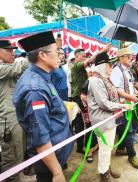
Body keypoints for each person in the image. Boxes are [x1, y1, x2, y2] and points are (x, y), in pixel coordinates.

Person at [13, 31, 73, 182]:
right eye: (57, 51)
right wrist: (57, 172)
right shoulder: (36, 89)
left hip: (55, 154)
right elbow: (40, 137)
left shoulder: (42, 75)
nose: (60, 55)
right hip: (48, 164)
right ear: (43, 55)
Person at [87, 51, 130, 181]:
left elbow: (112, 98)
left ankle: (106, 168)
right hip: (102, 120)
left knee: (108, 147)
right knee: (105, 148)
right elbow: (103, 103)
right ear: (102, 65)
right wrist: (122, 106)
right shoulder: (96, 80)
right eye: (109, 65)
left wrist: (121, 102)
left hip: (110, 118)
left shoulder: (105, 79)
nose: (111, 67)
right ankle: (104, 173)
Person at [0, 40, 29, 181]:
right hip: (7, 122)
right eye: (8, 50)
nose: (13, 53)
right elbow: (23, 65)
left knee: (19, 151)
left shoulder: (7, 66)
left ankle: (20, 176)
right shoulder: (2, 68)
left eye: (13, 50)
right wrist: (41, 51)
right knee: (11, 156)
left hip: (15, 118)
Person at [110, 48, 138, 169]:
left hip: (128, 105)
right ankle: (132, 155)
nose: (131, 58)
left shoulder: (127, 71)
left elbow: (130, 86)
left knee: (124, 129)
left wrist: (137, 94)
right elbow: (116, 89)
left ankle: (120, 149)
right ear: (121, 57)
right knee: (126, 130)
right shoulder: (116, 71)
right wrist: (131, 97)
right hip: (121, 106)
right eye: (129, 56)